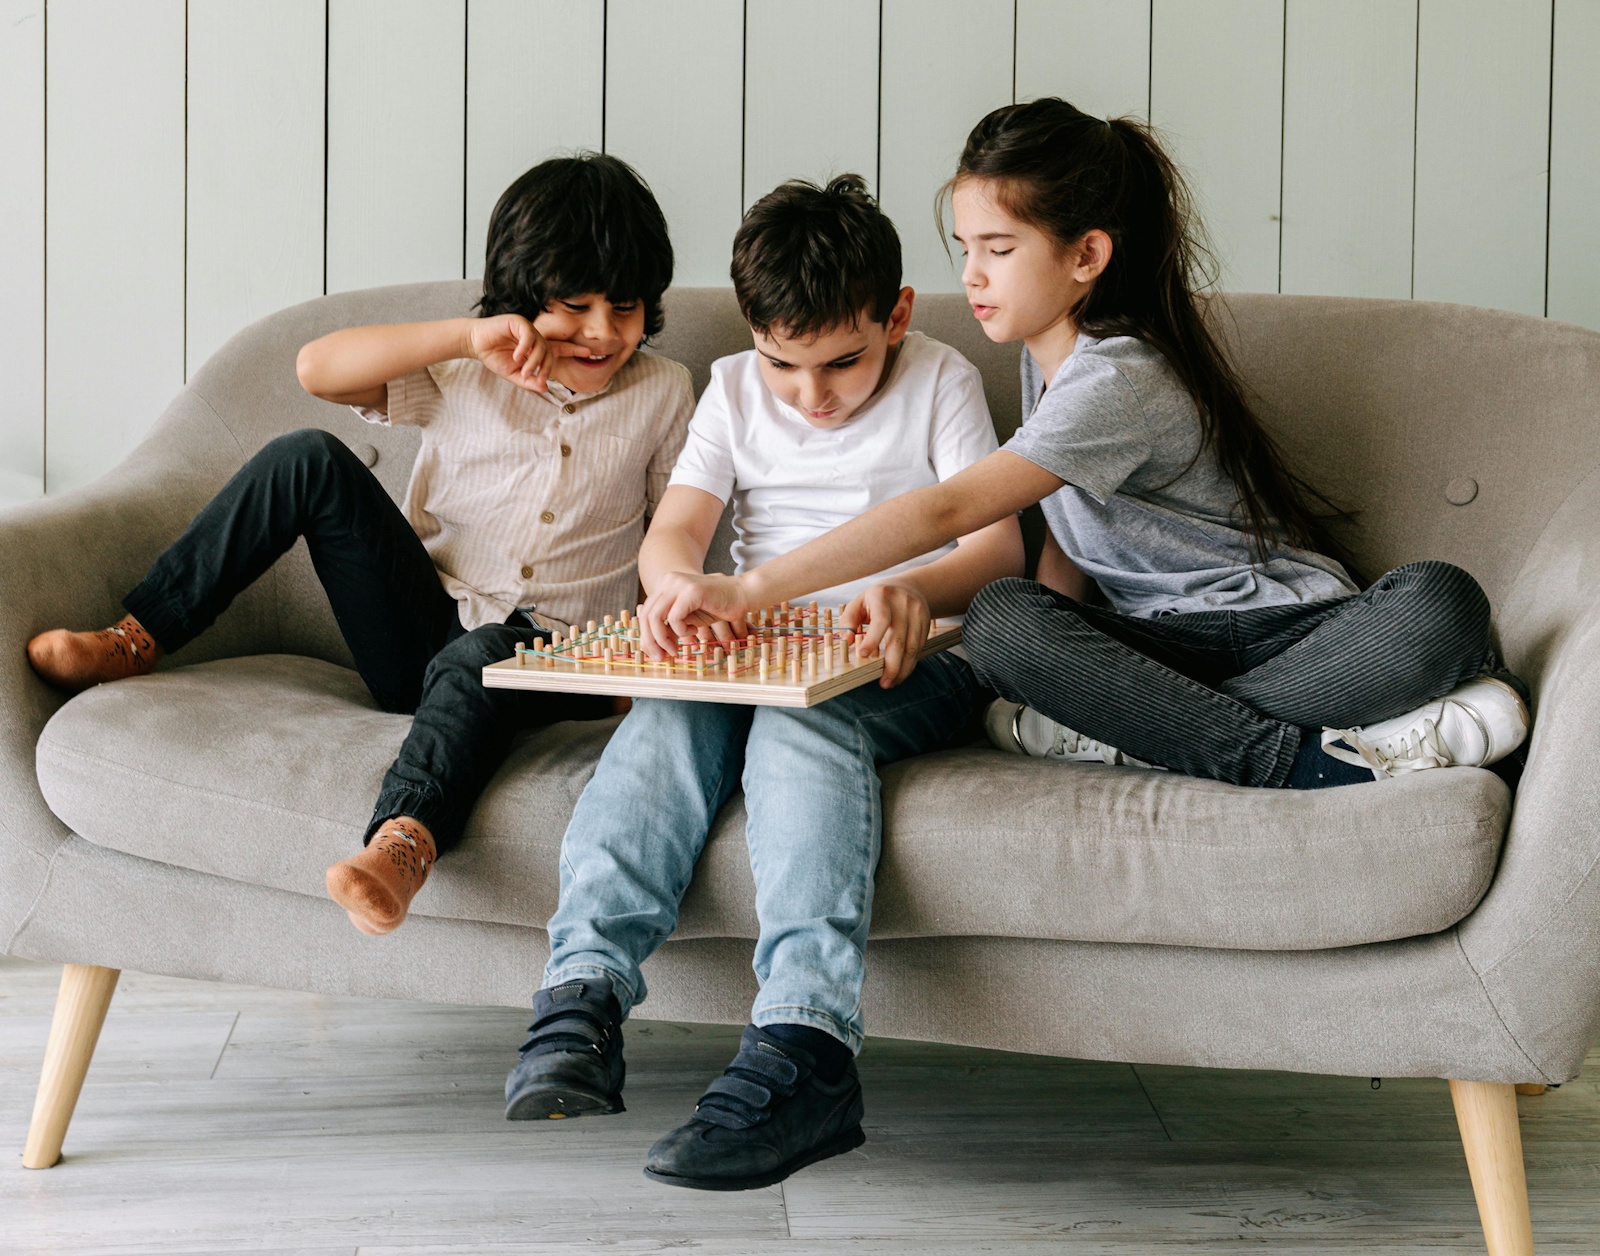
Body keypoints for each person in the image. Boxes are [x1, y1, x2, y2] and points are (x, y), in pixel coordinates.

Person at [638, 98, 1528, 790]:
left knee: (1440, 601)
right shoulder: (1040, 355)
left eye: (998, 248)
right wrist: (1046, 658)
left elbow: (951, 508)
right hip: (1149, 645)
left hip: (1271, 628)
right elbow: (1065, 541)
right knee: (1005, 622)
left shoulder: (1117, 373)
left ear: (1085, 255)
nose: (970, 276)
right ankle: (1223, 735)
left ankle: (1212, 750)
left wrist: (747, 587)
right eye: (964, 247)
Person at [504, 175, 1023, 1190]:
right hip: (760, 641)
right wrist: (675, 591)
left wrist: (911, 590)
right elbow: (675, 537)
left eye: (842, 361)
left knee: (804, 729)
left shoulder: (941, 376)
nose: (811, 393)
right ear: (752, 334)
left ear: (897, 315)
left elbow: (997, 543)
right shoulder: (734, 388)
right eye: (785, 363)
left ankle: (807, 1046)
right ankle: (580, 996)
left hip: (906, 653)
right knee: (667, 714)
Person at [26, 152, 694, 934]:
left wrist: (641, 665)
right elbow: (318, 369)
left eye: (625, 308)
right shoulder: (463, 368)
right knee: (305, 457)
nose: (601, 333)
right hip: (419, 634)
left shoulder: (665, 390)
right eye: (573, 307)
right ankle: (139, 635)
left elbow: (673, 531)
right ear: (519, 302)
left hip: (555, 659)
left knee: (482, 655)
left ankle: (401, 844)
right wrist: (469, 335)